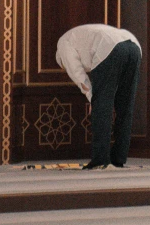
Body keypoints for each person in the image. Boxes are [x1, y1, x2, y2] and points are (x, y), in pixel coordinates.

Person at [56, 24, 141, 169]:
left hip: (107, 48)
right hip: (134, 46)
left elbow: (79, 75)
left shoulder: (63, 46)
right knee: (125, 106)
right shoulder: (77, 36)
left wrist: (93, 99)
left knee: (101, 109)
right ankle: (118, 158)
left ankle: (100, 159)